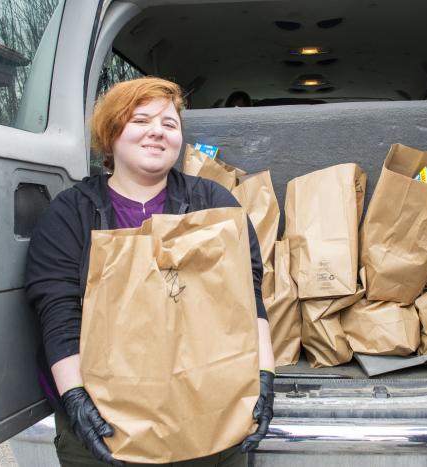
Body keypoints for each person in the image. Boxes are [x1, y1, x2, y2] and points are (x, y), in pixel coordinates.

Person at [25, 77, 275, 467]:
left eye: (169, 124)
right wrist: (74, 397)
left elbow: (248, 297)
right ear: (111, 134)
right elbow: (57, 311)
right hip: (105, 422)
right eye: (140, 120)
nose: (157, 131)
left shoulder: (213, 202)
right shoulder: (70, 212)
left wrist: (263, 376)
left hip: (209, 419)